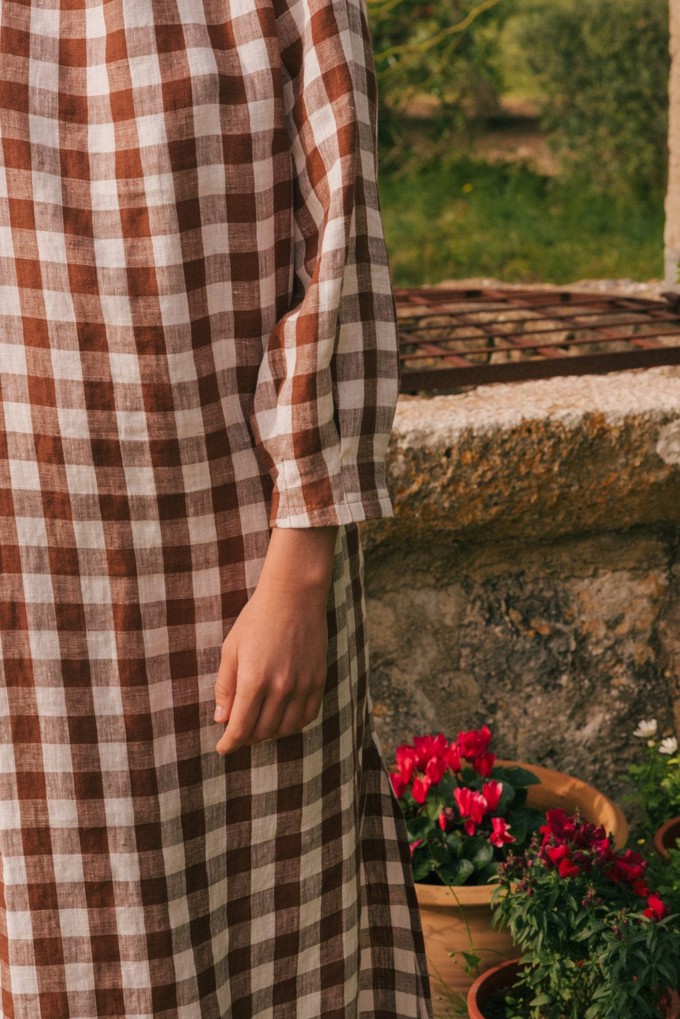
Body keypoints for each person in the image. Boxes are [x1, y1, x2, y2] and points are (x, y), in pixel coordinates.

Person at [0, 0, 433, 1015]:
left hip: (213, 571)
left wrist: (303, 562)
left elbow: (341, 260)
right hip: (25, 570)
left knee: (263, 943)